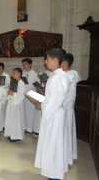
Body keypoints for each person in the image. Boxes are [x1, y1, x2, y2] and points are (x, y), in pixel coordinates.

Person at [34, 48, 70, 180]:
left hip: (53, 116)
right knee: (52, 144)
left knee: (53, 145)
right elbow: (52, 98)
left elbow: (56, 101)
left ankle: (55, 175)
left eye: (47, 59)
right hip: (53, 114)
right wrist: (43, 102)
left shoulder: (58, 78)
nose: (45, 61)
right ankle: (52, 172)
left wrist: (42, 105)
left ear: (55, 60)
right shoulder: (56, 76)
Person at [61, 53, 80, 166]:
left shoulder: (73, 74)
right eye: (61, 62)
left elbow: (69, 94)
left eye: (64, 62)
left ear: (69, 63)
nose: (62, 64)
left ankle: (67, 155)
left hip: (66, 108)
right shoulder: (62, 74)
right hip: (61, 107)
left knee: (67, 131)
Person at [4, 68, 26, 142]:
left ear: (19, 74)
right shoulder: (13, 82)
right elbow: (11, 92)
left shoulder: (21, 83)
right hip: (11, 103)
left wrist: (12, 93)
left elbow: (21, 95)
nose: (12, 74)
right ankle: (11, 134)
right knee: (11, 120)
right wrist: (9, 93)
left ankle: (16, 136)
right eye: (12, 73)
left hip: (17, 105)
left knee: (16, 121)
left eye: (14, 73)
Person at [22, 58, 41, 135]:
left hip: (31, 96)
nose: (24, 66)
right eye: (23, 64)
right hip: (23, 95)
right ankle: (25, 127)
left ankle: (30, 128)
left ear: (30, 64)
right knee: (24, 112)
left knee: (30, 113)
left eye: (25, 64)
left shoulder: (34, 74)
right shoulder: (22, 73)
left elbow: (38, 85)